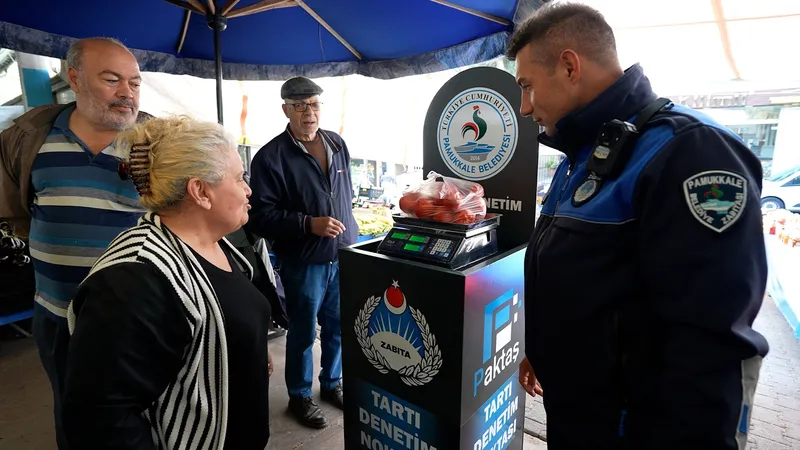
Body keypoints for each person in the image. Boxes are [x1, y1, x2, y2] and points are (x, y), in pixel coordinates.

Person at [508, 4, 769, 450]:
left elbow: (709, 347)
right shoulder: (585, 153)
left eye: (527, 86)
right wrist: (542, 348)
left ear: (570, 66)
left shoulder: (689, 151)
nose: (524, 106)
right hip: (578, 413)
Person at [62, 116, 273, 450]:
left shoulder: (217, 240)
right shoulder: (133, 281)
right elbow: (100, 419)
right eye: (239, 178)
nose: (248, 190)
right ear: (201, 191)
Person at [0, 37, 148, 449]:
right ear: (75, 79)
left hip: (137, 315)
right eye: (112, 79)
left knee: (144, 408)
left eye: (135, 83)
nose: (127, 93)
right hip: (56, 312)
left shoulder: (159, 141)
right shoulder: (29, 137)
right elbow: (17, 207)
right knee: (72, 410)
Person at [247, 76, 357, 428]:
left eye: (314, 104)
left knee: (339, 326)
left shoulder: (337, 144)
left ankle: (331, 384)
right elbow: (260, 217)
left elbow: (344, 195)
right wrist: (308, 224)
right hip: (303, 261)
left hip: (342, 254)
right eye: (299, 105)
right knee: (303, 331)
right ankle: (299, 395)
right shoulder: (270, 157)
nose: (308, 112)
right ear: (285, 109)